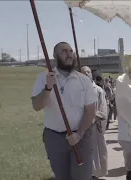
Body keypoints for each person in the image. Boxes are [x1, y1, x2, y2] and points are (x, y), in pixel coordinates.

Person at [31, 42, 96, 180]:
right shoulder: (43, 78)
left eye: (71, 51)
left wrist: (79, 134)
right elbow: (36, 106)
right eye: (64, 51)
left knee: (82, 177)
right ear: (55, 56)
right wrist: (48, 88)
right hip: (54, 138)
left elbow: (90, 110)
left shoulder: (83, 80)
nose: (69, 54)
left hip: (81, 137)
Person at [81, 66, 108, 179]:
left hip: (94, 126)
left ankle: (96, 174)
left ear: (91, 75)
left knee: (97, 150)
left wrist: (92, 118)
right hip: (81, 126)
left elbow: (103, 109)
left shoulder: (98, 90)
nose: (86, 74)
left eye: (88, 72)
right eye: (84, 72)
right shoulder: (77, 90)